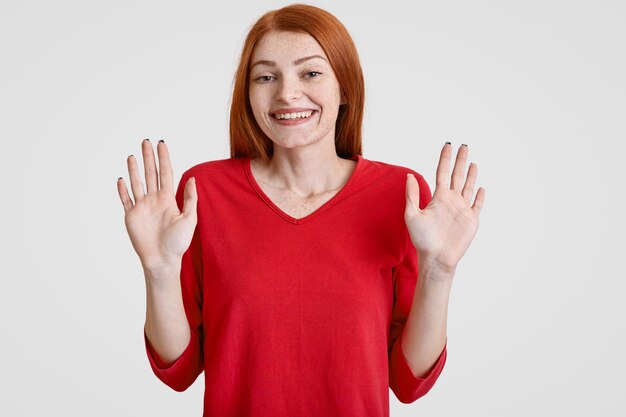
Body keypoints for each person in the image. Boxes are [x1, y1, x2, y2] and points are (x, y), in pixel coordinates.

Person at [116, 4, 485, 416]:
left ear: (345, 87)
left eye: (310, 73)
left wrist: (440, 270)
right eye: (266, 76)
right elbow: (178, 371)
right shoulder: (205, 193)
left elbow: (407, 380)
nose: (286, 93)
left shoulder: (400, 195)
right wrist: (158, 270)